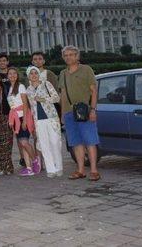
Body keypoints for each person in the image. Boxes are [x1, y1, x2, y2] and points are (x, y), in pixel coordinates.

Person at [58, 45, 100, 181]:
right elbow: (63, 95)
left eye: (71, 55)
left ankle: (94, 170)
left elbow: (94, 91)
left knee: (90, 141)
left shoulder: (86, 70)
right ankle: (80, 170)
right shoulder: (63, 73)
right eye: (66, 55)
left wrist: (93, 109)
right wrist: (63, 114)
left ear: (77, 56)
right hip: (70, 113)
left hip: (85, 111)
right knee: (76, 142)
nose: (68, 57)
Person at [26, 66, 63, 178]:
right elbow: (31, 107)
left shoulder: (46, 84)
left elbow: (56, 98)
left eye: (35, 73)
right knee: (44, 144)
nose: (34, 75)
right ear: (28, 76)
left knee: (55, 142)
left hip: (51, 118)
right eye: (31, 73)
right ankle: (50, 169)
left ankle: (59, 167)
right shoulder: (28, 90)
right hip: (39, 120)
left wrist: (43, 99)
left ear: (39, 74)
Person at [8, 67, 37, 176]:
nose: (12, 75)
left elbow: (25, 104)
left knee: (24, 142)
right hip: (15, 119)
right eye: (10, 74)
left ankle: (35, 160)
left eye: (14, 73)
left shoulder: (20, 86)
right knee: (22, 143)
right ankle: (28, 167)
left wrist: (24, 120)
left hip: (22, 118)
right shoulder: (10, 88)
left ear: (18, 75)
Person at [31, 51, 61, 119]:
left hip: (50, 107)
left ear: (44, 61)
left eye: (40, 59)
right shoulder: (29, 77)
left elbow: (56, 92)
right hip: (35, 108)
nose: (37, 61)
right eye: (35, 59)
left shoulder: (49, 74)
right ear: (32, 62)